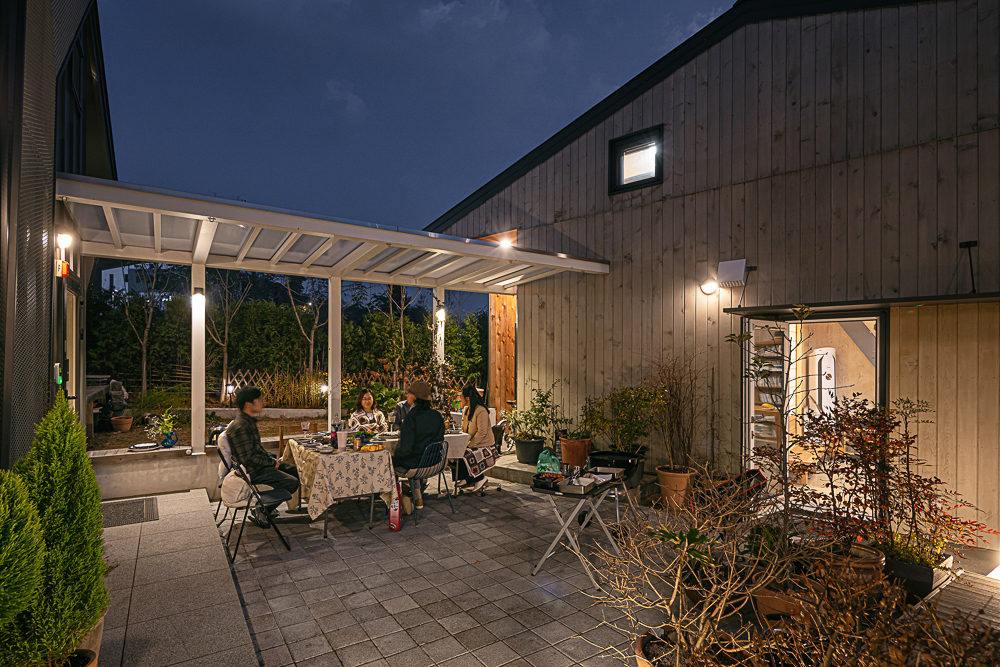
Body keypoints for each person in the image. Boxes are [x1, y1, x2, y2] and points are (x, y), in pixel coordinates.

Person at [226, 386, 300, 525]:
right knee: (292, 482)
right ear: (248, 404)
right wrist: (271, 463)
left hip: (258, 465)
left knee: (296, 472)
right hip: (251, 471)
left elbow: (256, 449)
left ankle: (266, 507)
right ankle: (262, 509)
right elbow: (248, 459)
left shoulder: (248, 422)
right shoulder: (241, 427)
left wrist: (271, 459)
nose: (262, 402)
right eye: (258, 400)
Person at [390, 380, 444, 511]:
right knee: (412, 456)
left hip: (416, 466)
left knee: (388, 461)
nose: (406, 395)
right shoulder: (437, 416)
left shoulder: (411, 417)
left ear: (414, 397)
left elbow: (405, 448)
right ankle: (417, 497)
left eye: (409, 393)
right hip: (436, 462)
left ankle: (396, 498)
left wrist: (395, 453)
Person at [454, 384, 493, 493]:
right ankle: (466, 478)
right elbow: (465, 429)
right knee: (454, 451)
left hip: (483, 443)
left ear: (467, 398)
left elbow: (482, 432)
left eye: (461, 397)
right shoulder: (466, 410)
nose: (460, 399)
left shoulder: (481, 411)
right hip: (471, 442)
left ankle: (480, 478)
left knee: (465, 453)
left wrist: (470, 444)